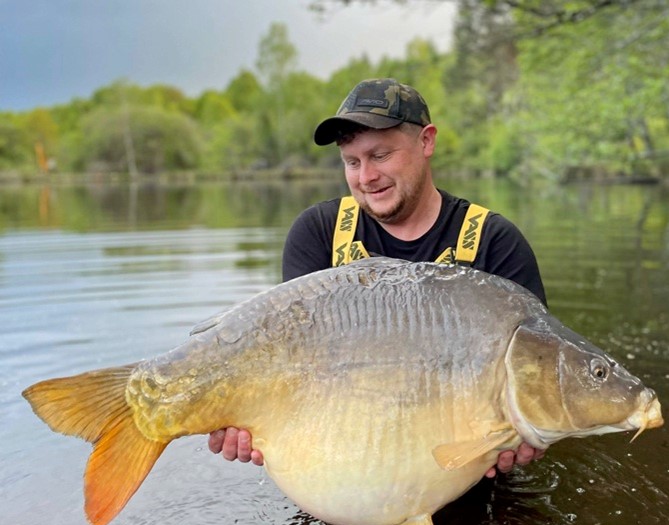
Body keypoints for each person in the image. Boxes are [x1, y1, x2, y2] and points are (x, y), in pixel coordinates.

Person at [209, 78, 547, 476]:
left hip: (466, 468)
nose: (366, 177)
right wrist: (248, 417)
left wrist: (528, 431)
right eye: (352, 161)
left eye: (380, 155)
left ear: (426, 142)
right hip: (347, 464)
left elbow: (536, 377)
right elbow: (293, 368)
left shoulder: (494, 241)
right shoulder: (319, 232)